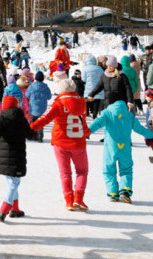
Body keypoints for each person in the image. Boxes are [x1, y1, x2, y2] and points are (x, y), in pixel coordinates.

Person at [30, 75, 91, 211]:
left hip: (60, 142)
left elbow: (45, 118)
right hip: (78, 143)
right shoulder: (82, 102)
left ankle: (69, 200)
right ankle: (79, 198)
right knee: (82, 171)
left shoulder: (58, 103)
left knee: (65, 172)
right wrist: (86, 132)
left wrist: (31, 126)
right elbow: (83, 121)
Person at [88, 100, 153, 203]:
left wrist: (86, 132)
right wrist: (151, 135)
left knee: (109, 169)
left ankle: (113, 193)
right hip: (125, 148)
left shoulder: (107, 113)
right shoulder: (129, 115)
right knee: (126, 169)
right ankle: (125, 191)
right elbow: (139, 129)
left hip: (110, 147)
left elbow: (97, 123)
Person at [0, 96, 34, 222]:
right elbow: (30, 134)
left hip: (5, 156)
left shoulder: (1, 117)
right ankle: (5, 210)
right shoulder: (21, 117)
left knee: (12, 181)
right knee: (13, 182)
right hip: (18, 156)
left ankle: (14, 209)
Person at [26, 72, 52, 142]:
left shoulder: (31, 86)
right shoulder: (46, 87)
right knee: (41, 122)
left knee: (34, 122)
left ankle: (33, 136)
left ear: (35, 78)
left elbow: (27, 95)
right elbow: (49, 97)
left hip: (33, 108)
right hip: (42, 108)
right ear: (43, 79)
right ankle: (40, 136)